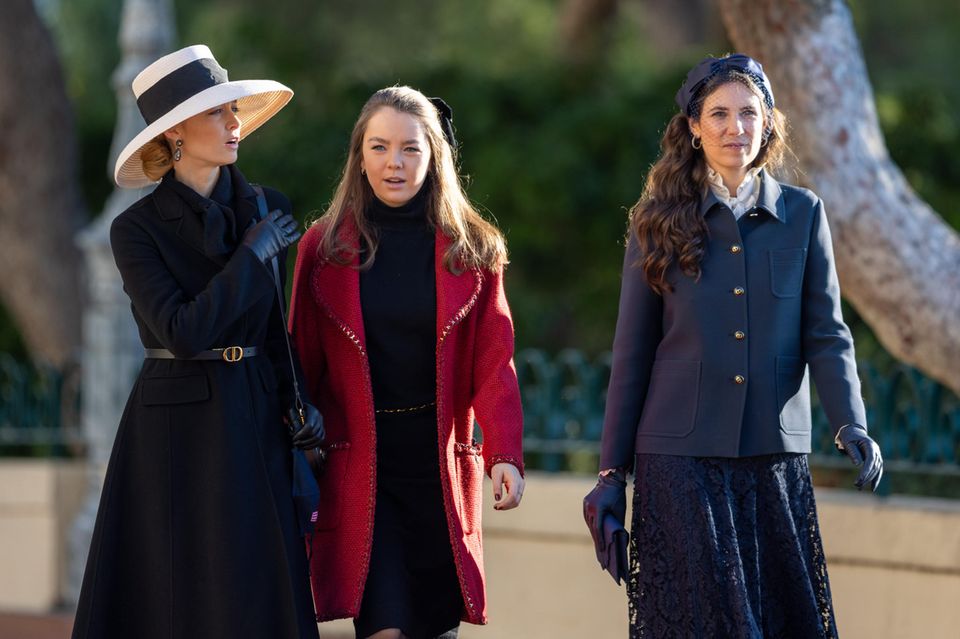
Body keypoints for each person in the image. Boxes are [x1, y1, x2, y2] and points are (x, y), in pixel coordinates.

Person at [583, 53, 883, 638]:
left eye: (749, 113)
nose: (734, 127)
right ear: (694, 127)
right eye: (718, 114)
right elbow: (632, 356)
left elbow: (827, 334)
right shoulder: (656, 220)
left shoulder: (804, 214)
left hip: (774, 458)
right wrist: (611, 474)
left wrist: (852, 423)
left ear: (768, 121)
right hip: (679, 462)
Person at [72, 45, 323, 639]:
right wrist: (250, 256)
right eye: (218, 114)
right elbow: (181, 333)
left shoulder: (267, 207)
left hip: (257, 412)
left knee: (258, 588)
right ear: (177, 130)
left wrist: (300, 400)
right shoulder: (134, 230)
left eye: (234, 110)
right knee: (176, 592)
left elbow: (272, 329)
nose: (235, 124)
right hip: (173, 429)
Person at [289, 86, 525, 639]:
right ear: (359, 157)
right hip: (360, 471)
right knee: (385, 629)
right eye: (379, 147)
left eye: (410, 148)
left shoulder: (474, 249)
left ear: (434, 155)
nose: (394, 162)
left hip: (441, 472)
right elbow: (300, 365)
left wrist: (504, 452)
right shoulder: (322, 250)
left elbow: (496, 362)